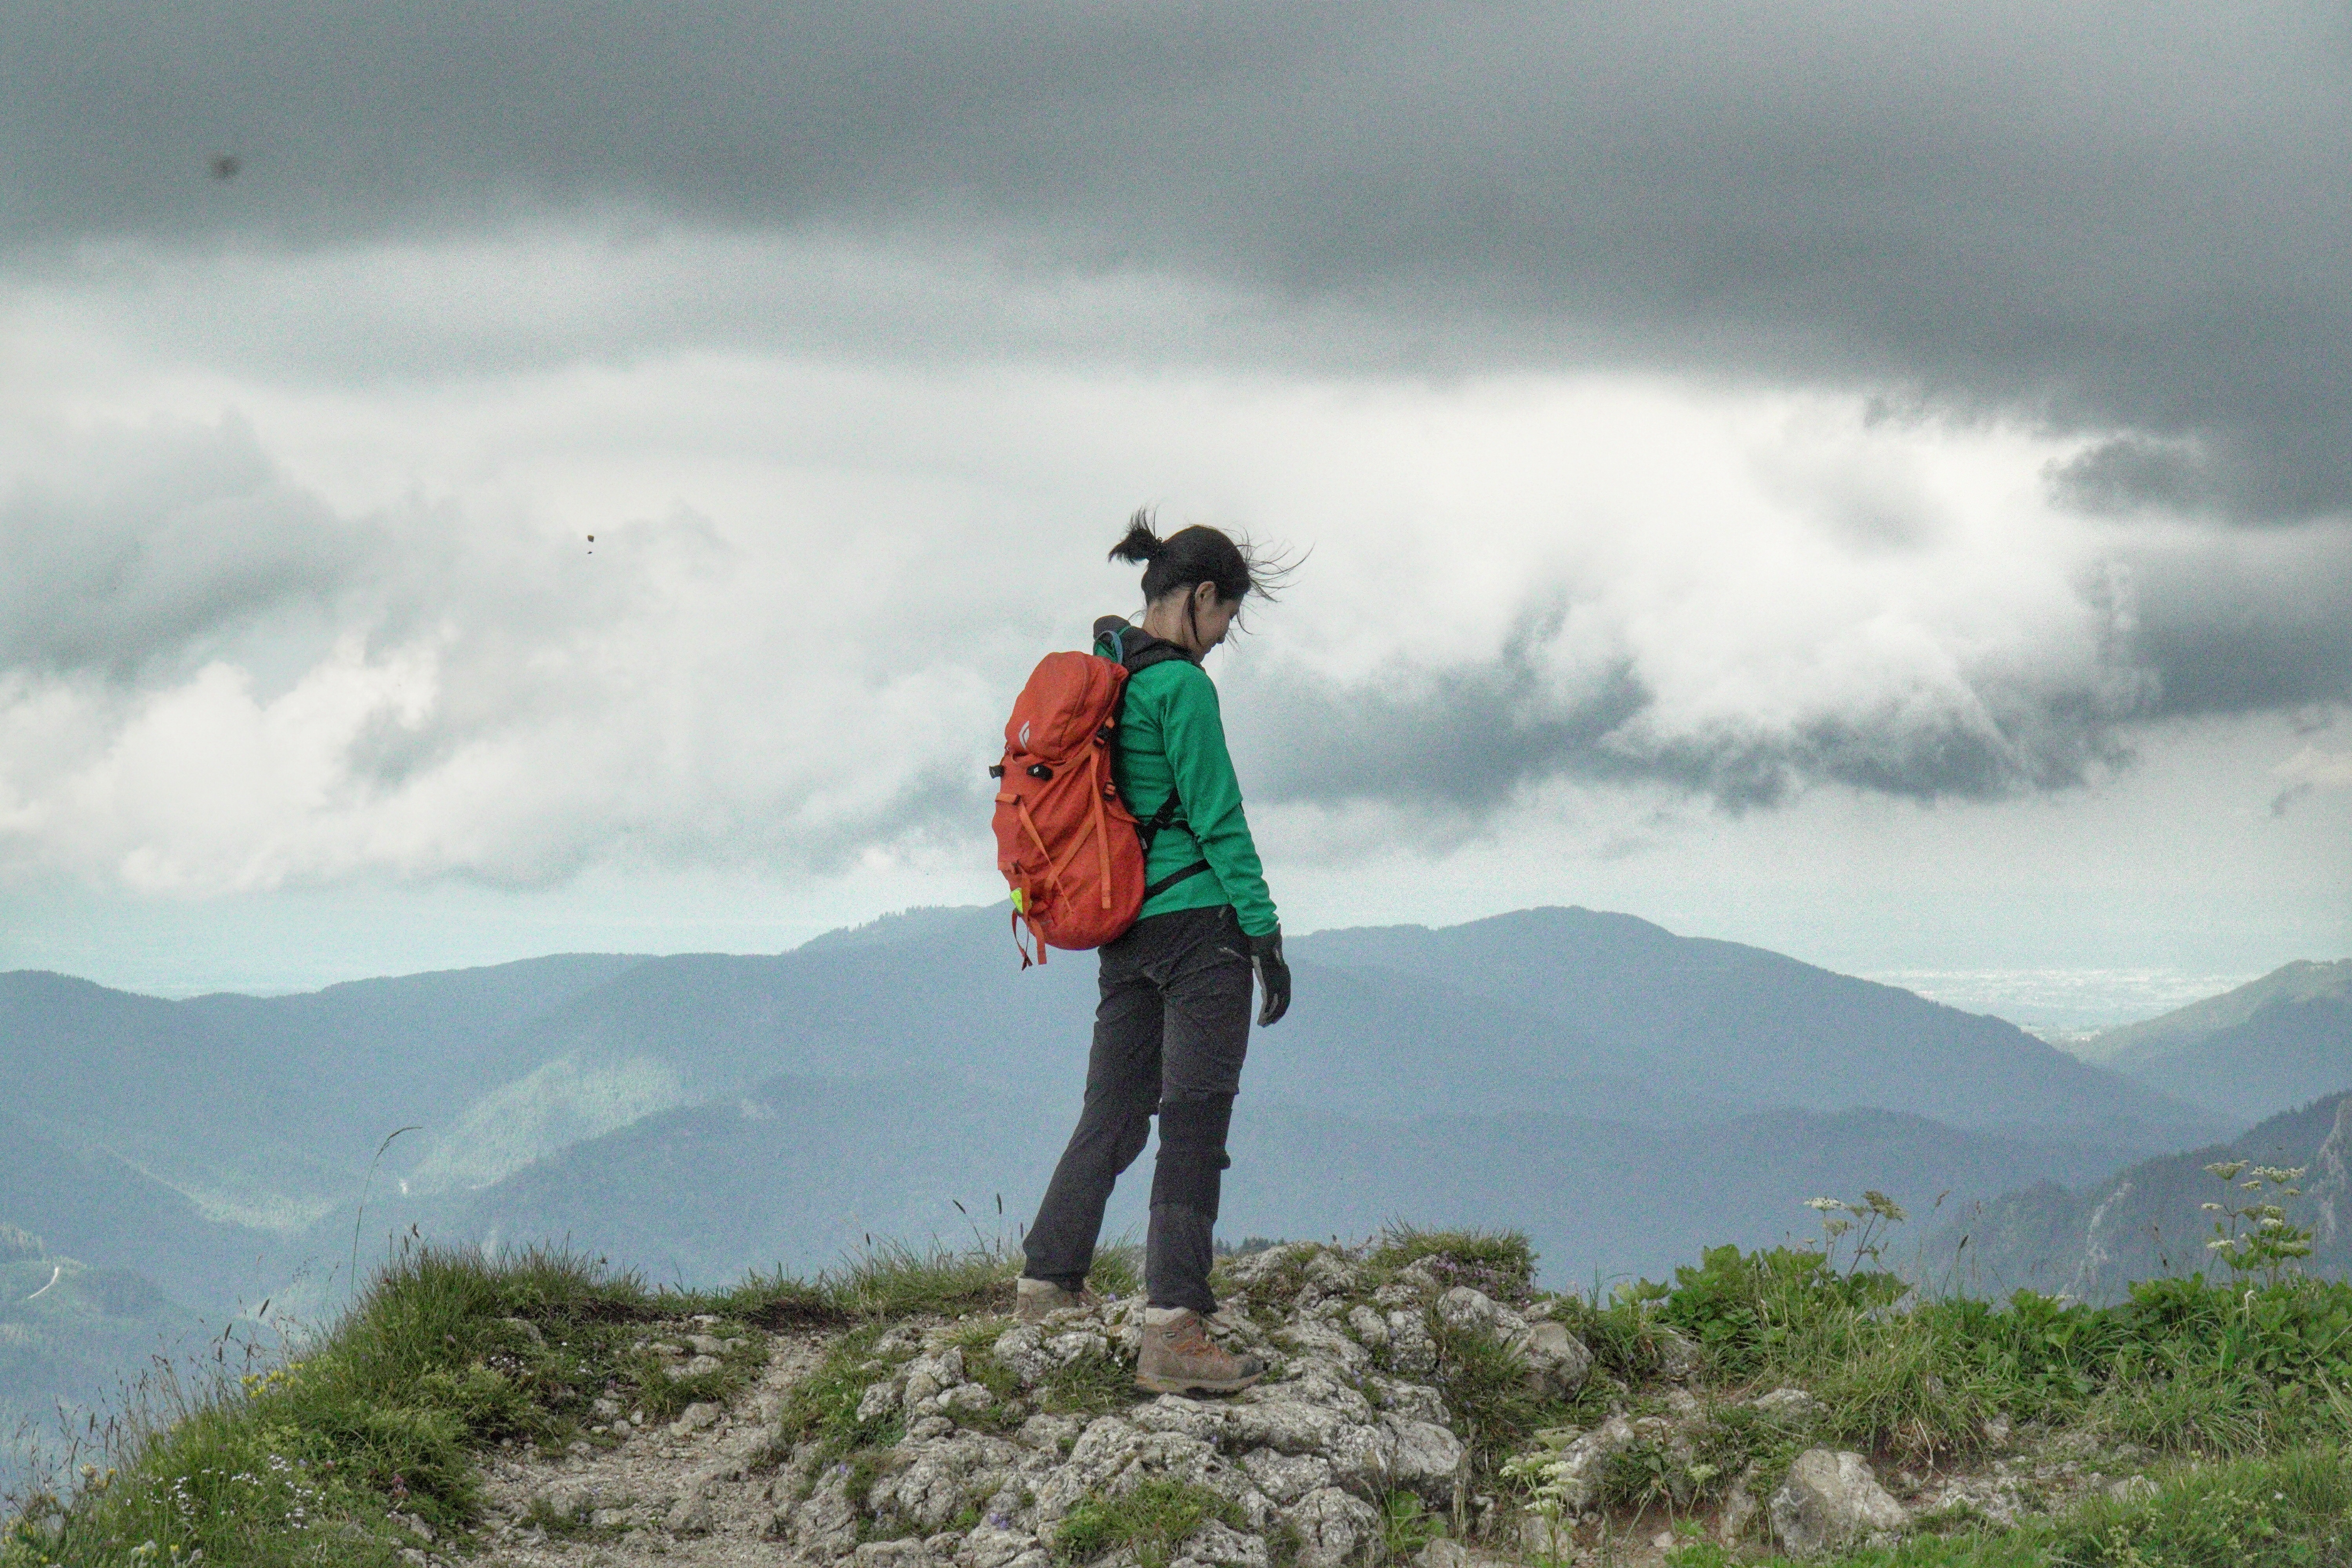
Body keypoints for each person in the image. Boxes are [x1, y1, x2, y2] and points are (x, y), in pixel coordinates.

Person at [1017, 510, 1293, 1396]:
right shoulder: (1182, 690)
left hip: (1124, 926)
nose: (1220, 641)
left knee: (1112, 1110)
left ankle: (1047, 1284)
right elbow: (1218, 817)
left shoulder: (1108, 676)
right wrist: (1264, 932)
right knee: (1194, 1122)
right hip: (1200, 928)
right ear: (1203, 596)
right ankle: (1174, 1325)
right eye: (1225, 620)